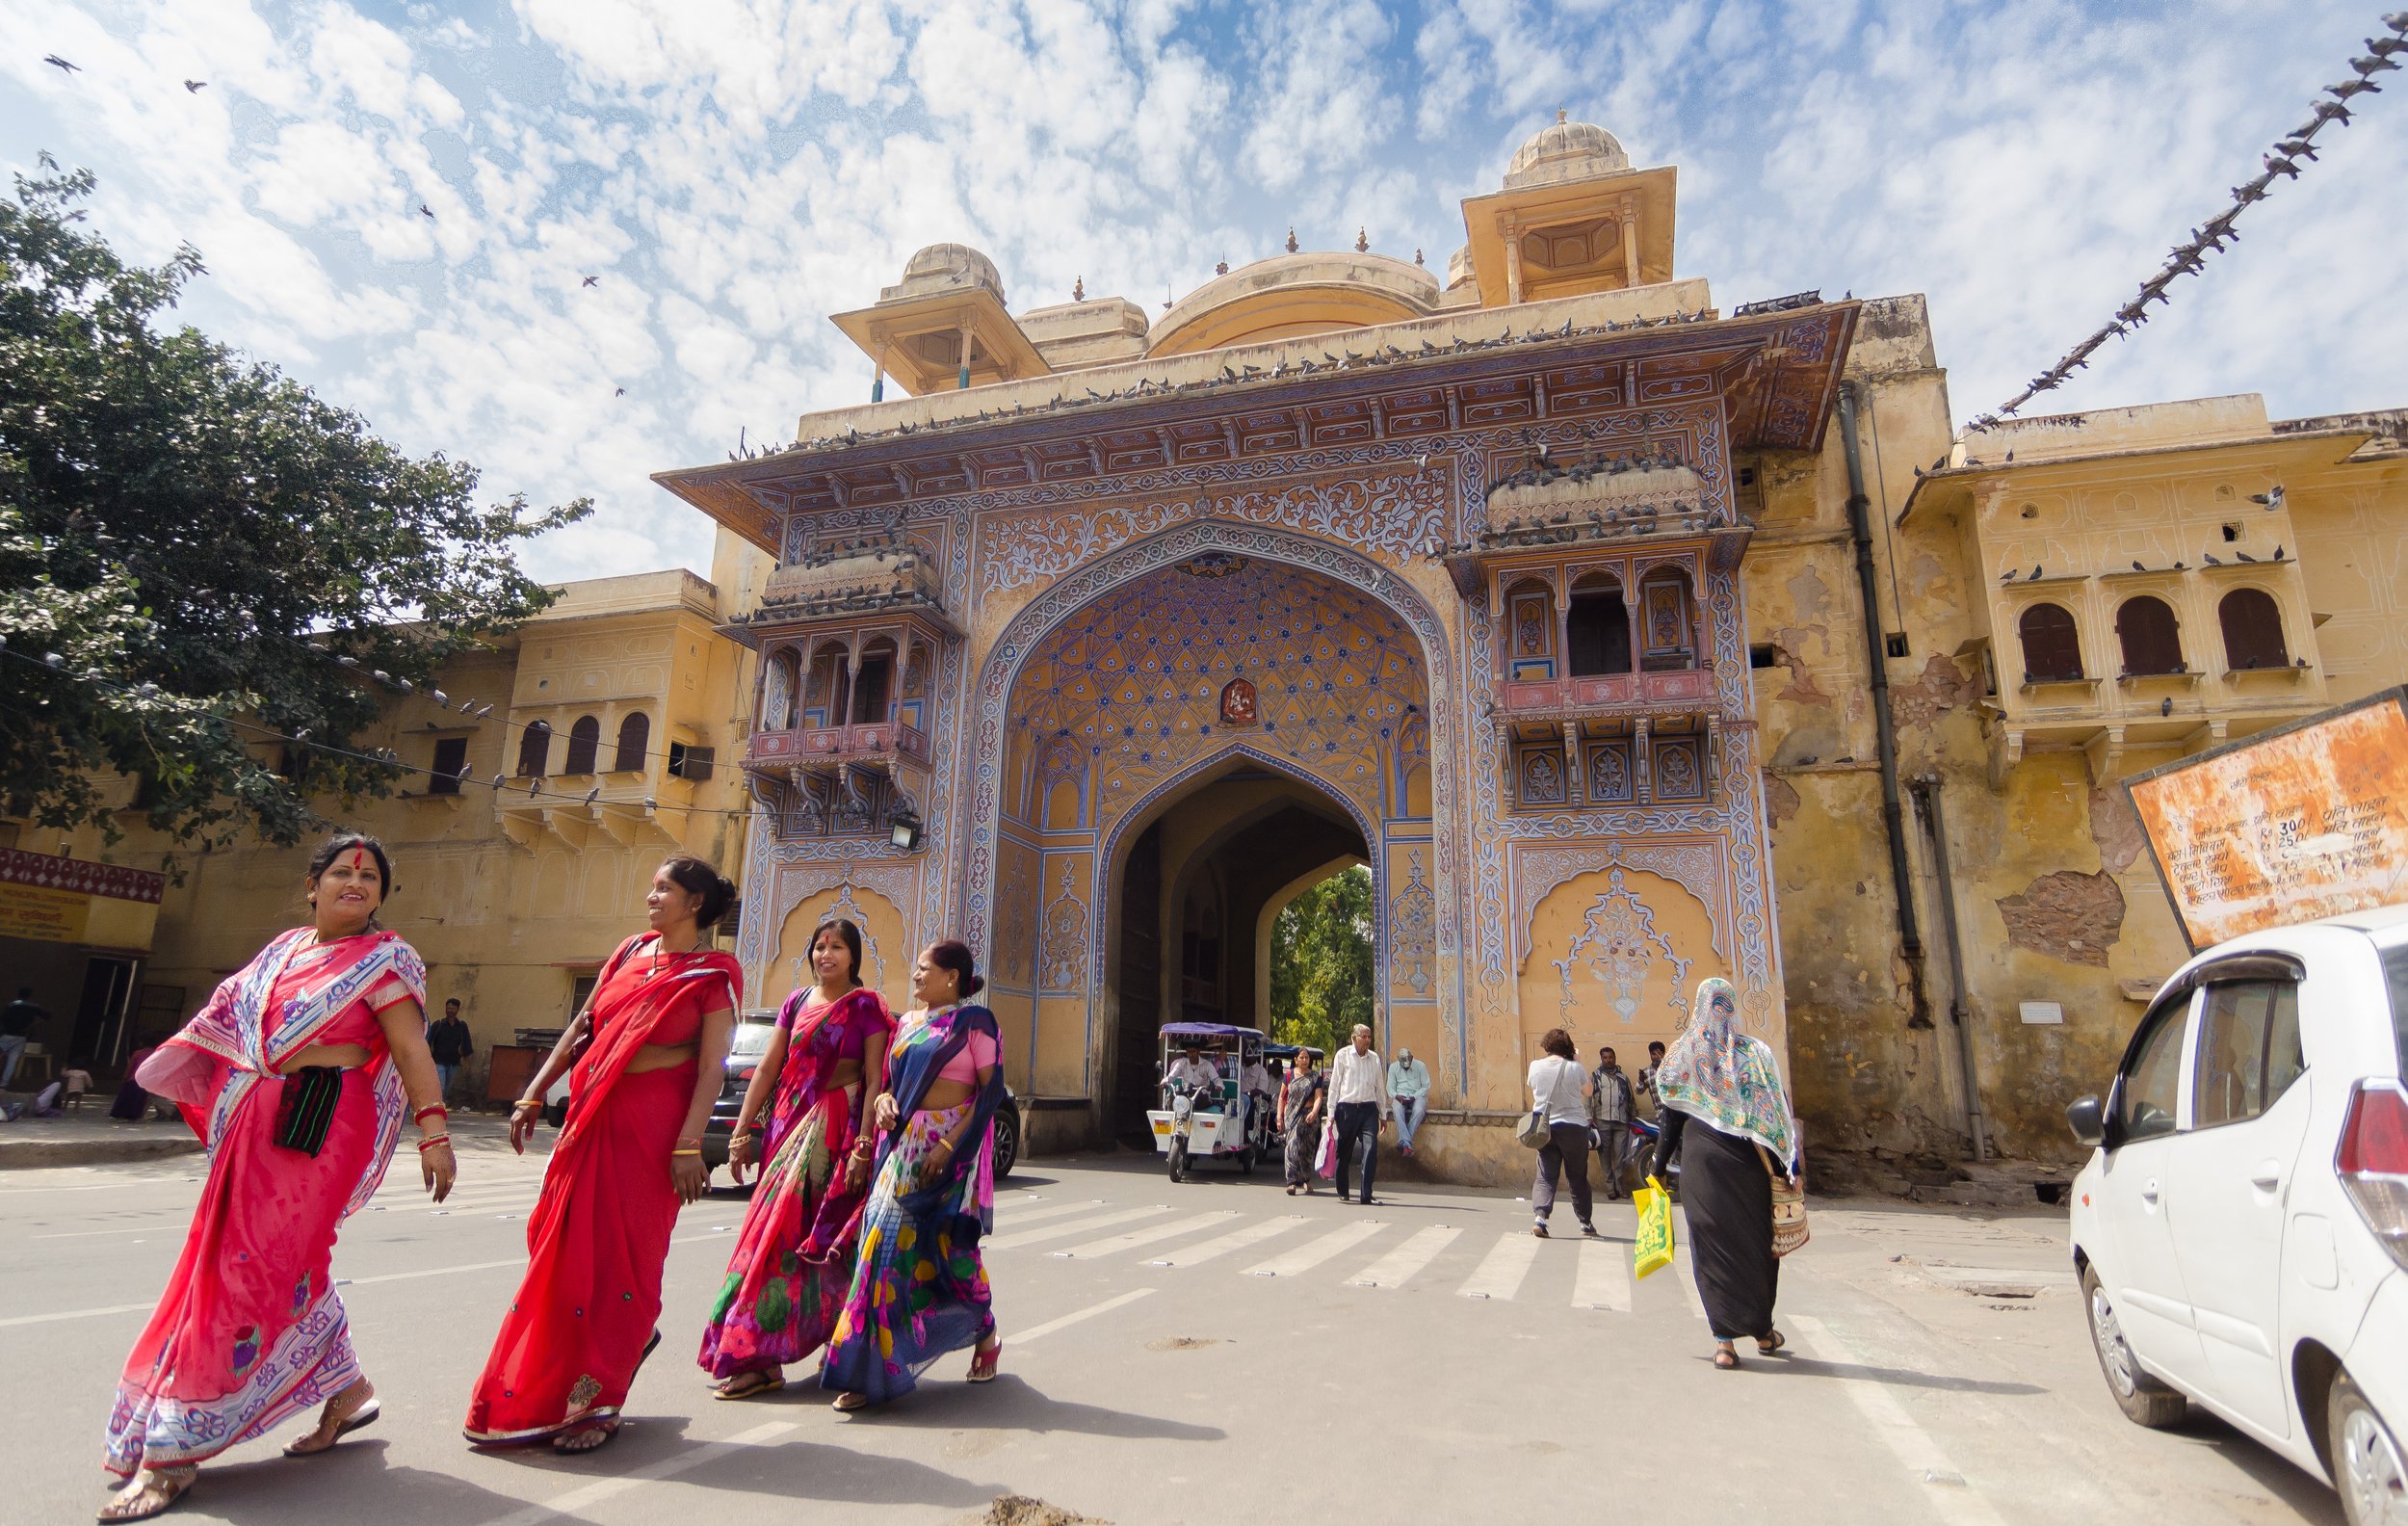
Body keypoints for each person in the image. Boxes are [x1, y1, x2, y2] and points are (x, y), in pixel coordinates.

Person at [98, 833, 456, 1521]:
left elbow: (411, 1047)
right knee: (266, 1264)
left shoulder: (386, 958)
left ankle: (174, 1452)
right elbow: (225, 1024)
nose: (356, 882)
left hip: (323, 1123)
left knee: (249, 1269)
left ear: (381, 896)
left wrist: (434, 1133)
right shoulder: (283, 952)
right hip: (252, 1121)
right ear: (311, 884)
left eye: (371, 877)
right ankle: (347, 1389)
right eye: (343, 872)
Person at [465, 855, 742, 1452]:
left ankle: (599, 1399)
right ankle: (558, 1383)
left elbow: (712, 1070)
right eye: (652, 887)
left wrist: (691, 1144)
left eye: (664, 889)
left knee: (623, 1263)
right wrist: (534, 1091)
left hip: (654, 1129)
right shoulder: (627, 953)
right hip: (594, 1117)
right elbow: (582, 1028)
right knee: (561, 1253)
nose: (651, 897)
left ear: (694, 904)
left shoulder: (712, 975)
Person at [697, 918, 893, 1399]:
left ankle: (842, 1344)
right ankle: (758, 1354)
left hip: (834, 1133)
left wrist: (863, 1146)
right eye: (820, 947)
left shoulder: (866, 1007)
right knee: (769, 1239)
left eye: (838, 948)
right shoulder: (795, 1003)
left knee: (823, 1240)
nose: (826, 955)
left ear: (854, 957)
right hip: (786, 1129)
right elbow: (768, 1067)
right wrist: (743, 1131)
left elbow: (874, 1080)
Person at [824, 940, 1008, 1410]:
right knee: (878, 1250)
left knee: (950, 1251)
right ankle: (868, 1369)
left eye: (925, 969)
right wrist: (884, 1102)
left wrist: (948, 1148)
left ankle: (983, 1330)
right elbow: (890, 1086)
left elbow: (991, 1094)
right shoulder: (906, 1023)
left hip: (949, 1154)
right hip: (902, 1150)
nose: (917, 975)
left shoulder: (975, 1024)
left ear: (952, 977)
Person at [1649, 978, 1801, 1370]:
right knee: (1758, 1246)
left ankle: (1724, 1344)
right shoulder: (1756, 1055)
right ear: (1731, 1008)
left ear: (1699, 1006)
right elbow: (1778, 1114)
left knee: (1711, 1249)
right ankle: (1764, 1331)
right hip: (1750, 1164)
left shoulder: (1685, 1052)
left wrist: (1658, 1167)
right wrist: (1790, 1164)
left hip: (1703, 1165)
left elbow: (1670, 1115)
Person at [1528, 1028, 1596, 1238]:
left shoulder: (1535, 1066)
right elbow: (1589, 1091)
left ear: (1547, 1045)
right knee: (1577, 1176)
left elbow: (1533, 1087)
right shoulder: (1575, 1068)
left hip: (1545, 1128)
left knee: (1546, 1176)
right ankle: (1585, 1222)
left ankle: (1541, 1218)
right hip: (1574, 1127)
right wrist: (1576, 1059)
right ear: (1567, 1047)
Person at [1326, 1023, 1385, 1205]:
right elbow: (1334, 1085)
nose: (1368, 1040)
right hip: (1347, 1109)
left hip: (1368, 1109)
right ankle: (1342, 1188)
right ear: (1354, 1038)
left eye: (1369, 1037)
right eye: (1364, 1037)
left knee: (1371, 1149)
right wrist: (1330, 1113)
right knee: (1344, 1151)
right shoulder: (1343, 1055)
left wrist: (1383, 1114)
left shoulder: (1374, 1058)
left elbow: (1379, 1087)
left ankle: (1366, 1194)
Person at [1590, 1045, 1636, 1200]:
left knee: (1620, 1156)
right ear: (1601, 1059)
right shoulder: (1595, 1077)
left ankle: (1620, 1187)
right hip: (1602, 1121)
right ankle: (1610, 1188)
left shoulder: (1623, 1077)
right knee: (1604, 1155)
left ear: (1615, 1058)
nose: (1608, 1060)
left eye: (1611, 1057)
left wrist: (1633, 1117)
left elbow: (1631, 1099)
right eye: (1605, 1058)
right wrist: (1590, 1118)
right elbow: (1588, 1098)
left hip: (1621, 1121)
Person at [1281, 1050, 1325, 1196]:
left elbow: (1319, 1097)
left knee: (1307, 1150)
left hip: (1309, 1116)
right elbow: (1282, 1097)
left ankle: (1306, 1180)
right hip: (1293, 1116)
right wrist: (1279, 1118)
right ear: (1296, 1059)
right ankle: (1292, 1182)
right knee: (1292, 1147)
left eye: (1307, 1058)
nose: (1305, 1060)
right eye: (1302, 1057)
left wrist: (1314, 1112)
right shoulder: (1289, 1075)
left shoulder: (1315, 1077)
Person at [426, 998, 473, 1106]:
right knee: (440, 1087)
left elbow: (467, 1044)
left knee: (447, 1088)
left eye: (453, 1008)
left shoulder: (461, 1026)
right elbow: (427, 1042)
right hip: (439, 1061)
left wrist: (467, 1062)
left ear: (457, 1010)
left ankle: (441, 1104)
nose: (450, 1010)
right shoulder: (438, 1025)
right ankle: (439, 1108)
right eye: (448, 1008)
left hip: (454, 1063)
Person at [1386, 1046, 1430, 1156]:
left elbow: (1426, 1086)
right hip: (1400, 1096)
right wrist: (1397, 1096)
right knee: (1396, 1109)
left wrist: (1414, 1096)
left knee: (1419, 1110)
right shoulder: (1393, 1067)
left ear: (1412, 1058)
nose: (1406, 1067)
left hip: (1417, 1095)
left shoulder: (1420, 1066)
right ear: (1398, 1060)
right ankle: (1407, 1144)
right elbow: (1390, 1088)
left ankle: (1405, 1143)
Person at [0, 985, 45, 1090]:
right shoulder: (34, 1007)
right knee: (12, 1061)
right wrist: (34, 1024)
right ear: (30, 995)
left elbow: (2, 1020)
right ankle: (3, 1084)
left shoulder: (11, 1005)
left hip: (7, 1034)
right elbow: (47, 1016)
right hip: (21, 1037)